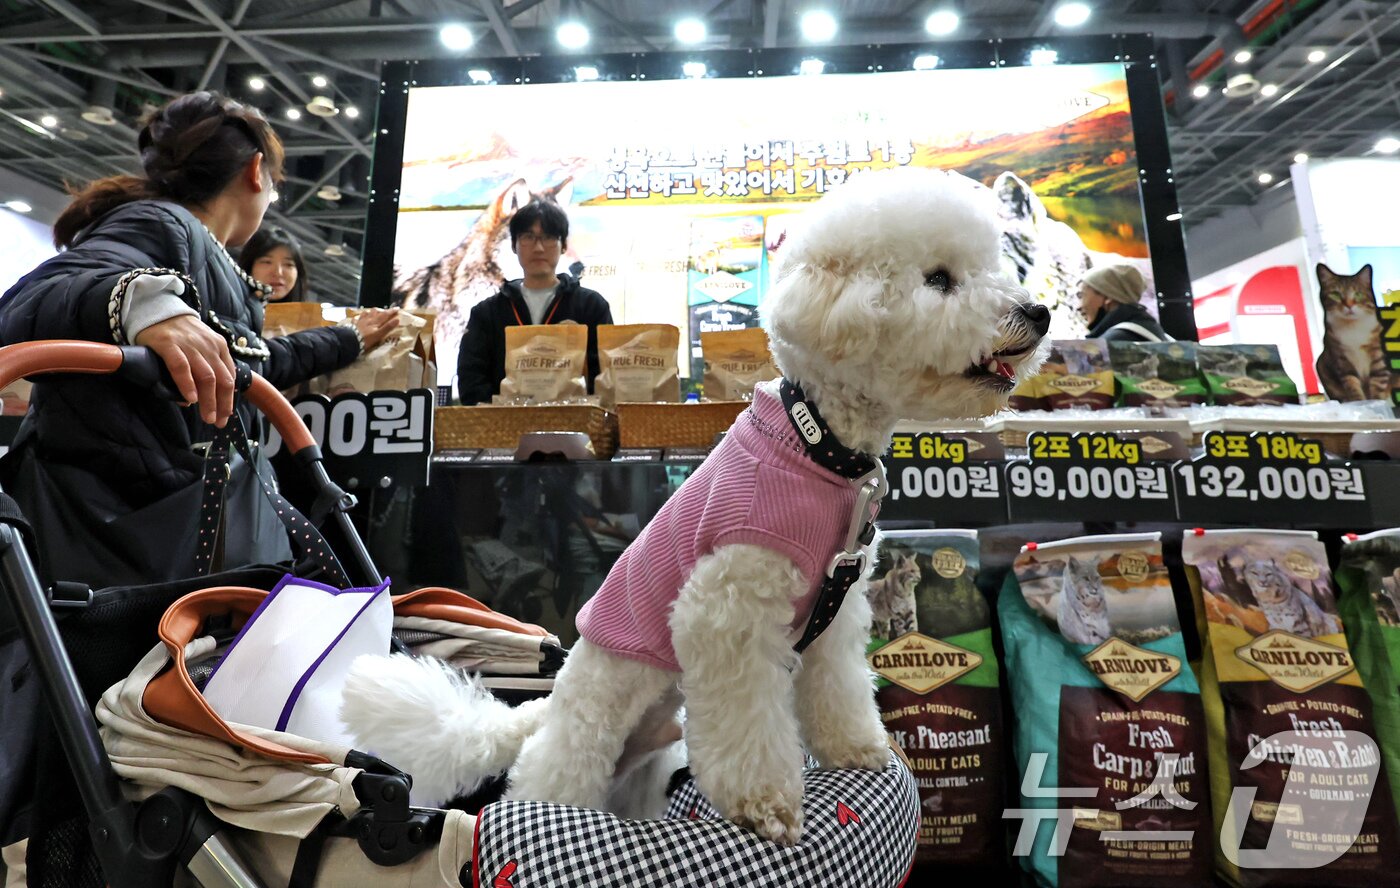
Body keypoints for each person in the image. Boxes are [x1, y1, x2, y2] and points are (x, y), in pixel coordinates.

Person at [0, 92, 388, 585]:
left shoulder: (207, 254)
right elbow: (29, 300)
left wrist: (348, 339)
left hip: (151, 520)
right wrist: (143, 302)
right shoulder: (161, 223)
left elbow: (253, 364)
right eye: (276, 185)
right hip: (118, 527)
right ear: (255, 171)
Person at [456, 200, 613, 405]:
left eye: (548, 237)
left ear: (563, 245)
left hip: (575, 430)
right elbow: (471, 380)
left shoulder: (591, 306)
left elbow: (605, 377)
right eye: (528, 237)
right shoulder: (487, 313)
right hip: (503, 431)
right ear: (514, 245)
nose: (538, 247)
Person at [1078, 263, 1170, 341]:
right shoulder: (1148, 328)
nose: (1078, 307)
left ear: (1108, 297)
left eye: (1081, 296)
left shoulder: (1115, 341)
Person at [239, 225, 308, 302]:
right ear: (248, 267)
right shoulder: (226, 309)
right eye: (267, 262)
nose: (278, 273)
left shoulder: (309, 313)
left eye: (288, 264)